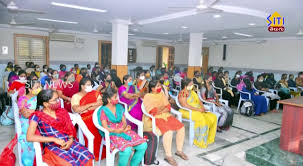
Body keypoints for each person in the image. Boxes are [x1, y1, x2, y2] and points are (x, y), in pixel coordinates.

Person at [27, 89, 94, 166]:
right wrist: (54, 139)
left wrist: (71, 140)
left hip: (69, 142)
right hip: (52, 146)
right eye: (55, 100)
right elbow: (29, 137)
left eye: (58, 98)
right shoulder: (37, 116)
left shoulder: (62, 112)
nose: (58, 101)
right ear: (45, 104)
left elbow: (70, 129)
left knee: (87, 158)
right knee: (69, 164)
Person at [143, 80, 187, 166]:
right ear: (152, 88)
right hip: (153, 118)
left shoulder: (162, 94)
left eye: (159, 85)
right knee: (168, 131)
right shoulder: (147, 96)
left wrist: (162, 109)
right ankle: (168, 155)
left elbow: (168, 106)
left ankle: (179, 150)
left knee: (181, 127)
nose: (159, 88)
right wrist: (162, 109)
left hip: (165, 115)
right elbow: (152, 111)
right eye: (157, 86)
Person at [98, 89, 147, 166]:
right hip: (112, 133)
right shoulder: (103, 110)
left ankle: (134, 164)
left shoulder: (119, 107)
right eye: (115, 97)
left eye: (117, 96)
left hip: (124, 130)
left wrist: (124, 128)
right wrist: (117, 131)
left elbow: (124, 121)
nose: (117, 99)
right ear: (108, 99)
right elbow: (105, 128)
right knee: (127, 150)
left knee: (143, 145)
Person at [178, 78, 217, 148]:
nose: (193, 85)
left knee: (213, 116)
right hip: (186, 111)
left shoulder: (192, 92)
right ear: (185, 85)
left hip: (197, 109)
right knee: (202, 119)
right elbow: (185, 106)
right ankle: (200, 141)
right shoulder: (182, 93)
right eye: (191, 84)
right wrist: (198, 109)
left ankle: (209, 139)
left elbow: (199, 101)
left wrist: (202, 108)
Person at [71, 77, 104, 160]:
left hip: (97, 115)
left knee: (105, 124)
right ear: (82, 86)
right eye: (88, 85)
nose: (91, 86)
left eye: (91, 85)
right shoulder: (76, 96)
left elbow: (100, 103)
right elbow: (77, 109)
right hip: (84, 118)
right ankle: (94, 153)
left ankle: (104, 151)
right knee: (92, 126)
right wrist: (91, 104)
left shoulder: (95, 93)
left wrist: (87, 108)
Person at [17, 79, 41, 166]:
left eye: (39, 87)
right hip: (26, 122)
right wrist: (36, 111)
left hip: (38, 120)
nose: (39, 89)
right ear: (30, 89)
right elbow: (25, 115)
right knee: (27, 139)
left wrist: (31, 111)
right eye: (37, 87)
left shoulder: (39, 97)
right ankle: (29, 161)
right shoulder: (22, 99)